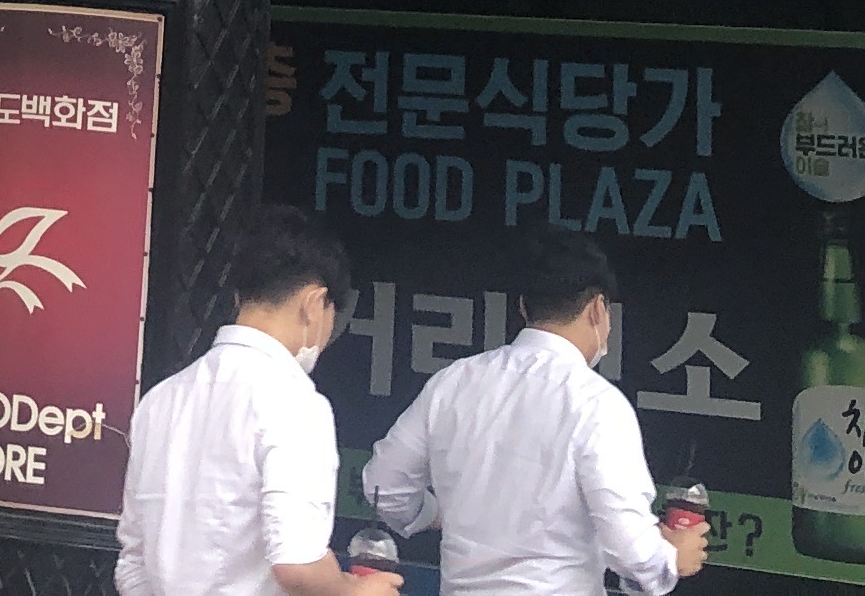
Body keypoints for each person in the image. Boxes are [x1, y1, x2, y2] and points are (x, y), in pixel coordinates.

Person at [363, 232, 704, 596]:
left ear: (524, 308)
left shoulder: (453, 382)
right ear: (597, 310)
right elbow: (630, 545)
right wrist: (671, 559)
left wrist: (441, 515)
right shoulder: (597, 403)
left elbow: (385, 485)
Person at [118, 209, 407, 596]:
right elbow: (297, 563)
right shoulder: (295, 402)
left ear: (241, 296)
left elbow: (133, 564)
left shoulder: (160, 400)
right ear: (314, 303)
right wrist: (355, 591)